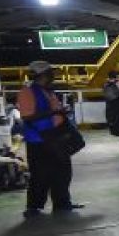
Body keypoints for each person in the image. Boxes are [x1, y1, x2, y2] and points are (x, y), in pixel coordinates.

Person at [16, 60, 83, 217]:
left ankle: (62, 203)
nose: (53, 75)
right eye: (50, 73)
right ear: (43, 75)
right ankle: (33, 207)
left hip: (55, 136)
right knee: (40, 174)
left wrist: (60, 111)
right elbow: (27, 116)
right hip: (39, 140)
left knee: (62, 171)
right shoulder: (27, 92)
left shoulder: (48, 91)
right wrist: (54, 113)